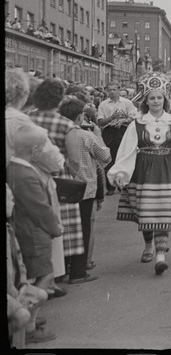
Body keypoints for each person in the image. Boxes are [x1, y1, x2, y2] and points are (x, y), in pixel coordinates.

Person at [107, 73, 171, 275]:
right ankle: (148, 246)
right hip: (143, 169)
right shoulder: (137, 122)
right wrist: (120, 172)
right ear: (146, 101)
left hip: (166, 169)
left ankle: (161, 256)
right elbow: (127, 149)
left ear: (165, 99)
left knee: (163, 210)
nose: (155, 101)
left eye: (159, 97)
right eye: (152, 98)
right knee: (145, 211)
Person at [7, 125, 63, 344]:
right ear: (36, 149)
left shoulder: (14, 167)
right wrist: (55, 228)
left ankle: (28, 319)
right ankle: (28, 324)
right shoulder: (26, 174)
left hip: (24, 229)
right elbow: (39, 207)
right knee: (45, 275)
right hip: (33, 232)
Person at [28, 79, 85, 282]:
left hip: (29, 175)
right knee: (60, 226)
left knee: (36, 224)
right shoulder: (66, 124)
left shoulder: (28, 118)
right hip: (58, 178)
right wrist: (73, 173)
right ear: (59, 100)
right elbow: (74, 159)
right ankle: (55, 276)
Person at [60, 97, 111, 284]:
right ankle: (79, 271)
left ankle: (63, 268)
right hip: (85, 187)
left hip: (62, 186)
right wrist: (98, 134)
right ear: (80, 116)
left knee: (66, 229)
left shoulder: (59, 133)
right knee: (84, 228)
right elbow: (105, 156)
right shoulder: (85, 135)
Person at [97, 82, 138, 195]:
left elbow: (134, 117)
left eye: (114, 89)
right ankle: (110, 186)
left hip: (123, 130)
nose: (112, 92)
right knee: (110, 157)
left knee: (123, 155)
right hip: (109, 131)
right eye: (109, 90)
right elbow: (100, 122)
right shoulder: (103, 104)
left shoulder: (127, 103)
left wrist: (124, 120)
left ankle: (123, 183)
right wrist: (111, 118)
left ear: (119, 90)